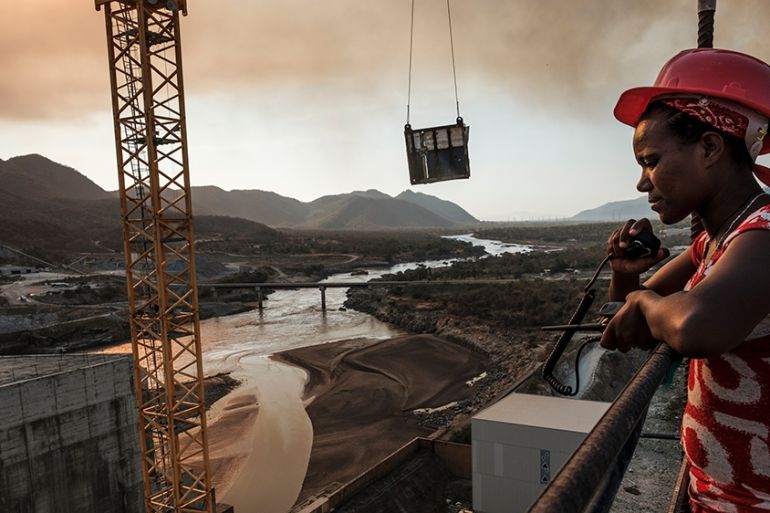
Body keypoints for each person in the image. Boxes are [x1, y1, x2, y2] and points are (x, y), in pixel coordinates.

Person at [599, 48, 770, 513]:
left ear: (710, 148)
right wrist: (625, 278)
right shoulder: (714, 243)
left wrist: (645, 303)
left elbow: (695, 325)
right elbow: (635, 320)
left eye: (651, 160)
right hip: (716, 496)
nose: (642, 183)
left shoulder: (765, 234)